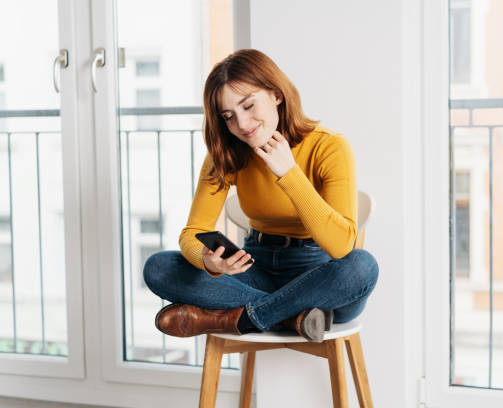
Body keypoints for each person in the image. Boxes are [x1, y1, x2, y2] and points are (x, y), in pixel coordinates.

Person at [143, 49, 378, 343]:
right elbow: (193, 233)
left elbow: (342, 246)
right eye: (229, 116)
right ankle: (290, 317)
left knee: (361, 267)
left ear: (276, 94)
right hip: (255, 268)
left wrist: (289, 174)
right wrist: (209, 262)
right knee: (159, 268)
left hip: (318, 275)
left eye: (249, 106)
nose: (242, 124)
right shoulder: (227, 154)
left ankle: (243, 318)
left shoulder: (329, 147)